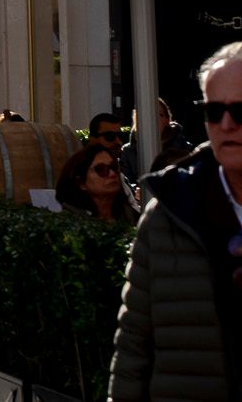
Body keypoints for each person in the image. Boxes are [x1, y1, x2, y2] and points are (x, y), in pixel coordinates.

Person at [110, 41, 242, 400]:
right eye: (214, 111)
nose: (227, 124)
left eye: (239, 111)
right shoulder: (166, 216)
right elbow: (133, 347)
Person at [54, 141, 139, 223]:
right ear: (81, 183)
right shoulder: (69, 225)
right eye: (101, 169)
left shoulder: (132, 216)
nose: (112, 174)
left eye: (114, 167)